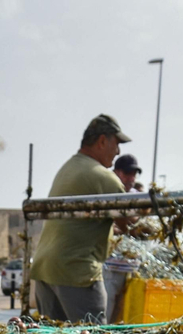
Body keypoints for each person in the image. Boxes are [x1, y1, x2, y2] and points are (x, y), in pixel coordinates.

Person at [29, 114, 132, 323]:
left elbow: (77, 225)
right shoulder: (104, 177)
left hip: (45, 269)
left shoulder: (67, 168)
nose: (118, 152)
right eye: (117, 144)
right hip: (77, 272)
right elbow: (129, 223)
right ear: (102, 141)